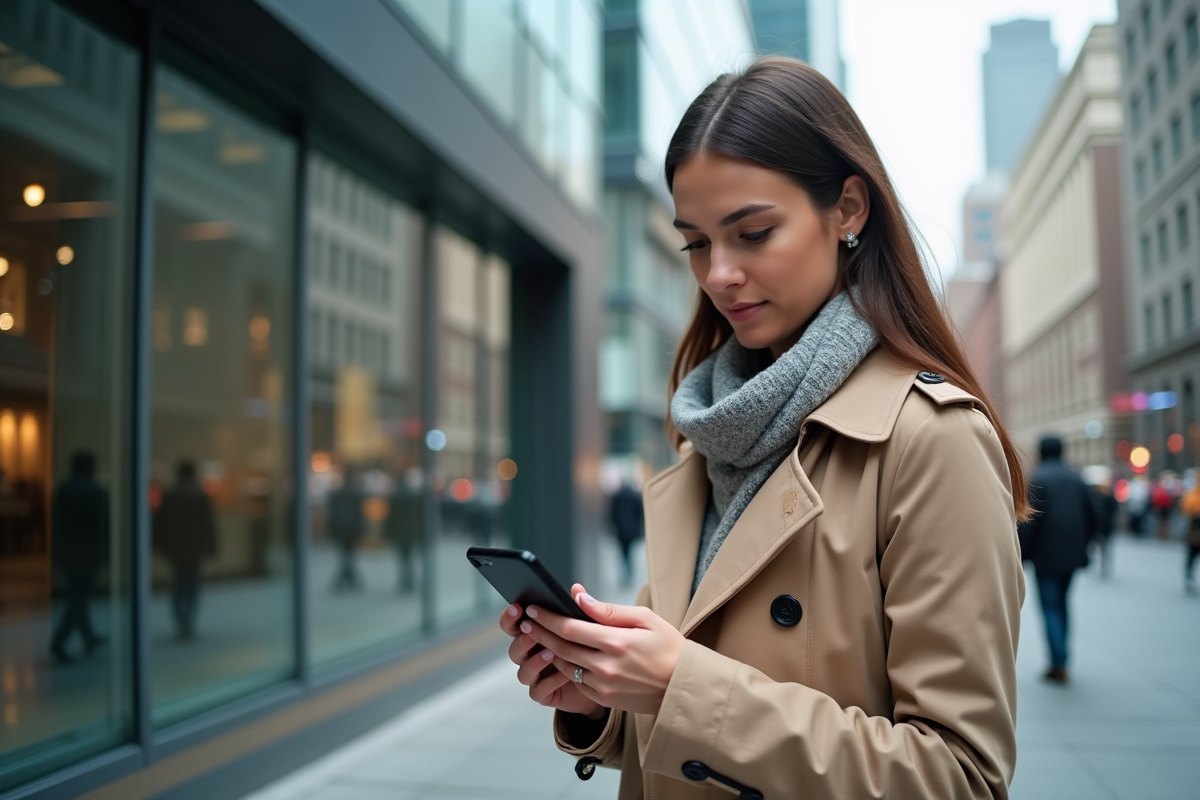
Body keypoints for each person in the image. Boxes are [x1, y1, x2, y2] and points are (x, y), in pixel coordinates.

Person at [498, 58, 1026, 799]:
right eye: (697, 243)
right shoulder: (710, 434)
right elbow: (682, 727)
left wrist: (682, 684)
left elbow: (959, 777)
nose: (718, 274)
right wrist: (597, 701)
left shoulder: (930, 440)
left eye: (752, 232)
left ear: (848, 209)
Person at [1018, 436, 1097, 684]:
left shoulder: (1038, 478)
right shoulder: (1077, 477)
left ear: (1041, 452)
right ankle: (1062, 656)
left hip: (1045, 557)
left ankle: (1058, 661)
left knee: (1050, 606)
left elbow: (1028, 522)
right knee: (1062, 603)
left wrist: (1022, 553)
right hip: (1072, 555)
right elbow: (1094, 515)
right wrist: (1085, 544)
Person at [50, 451, 110, 662]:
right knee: (78, 598)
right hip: (87, 554)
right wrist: (107, 556)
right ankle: (59, 641)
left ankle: (88, 637)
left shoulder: (63, 490)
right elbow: (102, 529)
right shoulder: (95, 491)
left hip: (67, 553)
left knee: (79, 596)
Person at [153, 460, 217, 641]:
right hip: (194, 548)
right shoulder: (199, 495)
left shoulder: (170, 494)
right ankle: (187, 622)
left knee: (178, 584)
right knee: (192, 585)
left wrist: (158, 545)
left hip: (175, 548)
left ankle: (180, 621)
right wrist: (211, 547)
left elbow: (160, 523)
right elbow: (208, 525)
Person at [385, 468, 424, 594]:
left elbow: (391, 517)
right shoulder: (414, 496)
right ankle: (410, 579)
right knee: (409, 556)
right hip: (412, 532)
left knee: (402, 557)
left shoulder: (395, 497)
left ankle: (405, 579)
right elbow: (419, 516)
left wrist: (388, 533)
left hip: (399, 532)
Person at [327, 468, 365, 593]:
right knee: (349, 554)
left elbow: (331, 514)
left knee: (345, 554)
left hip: (340, 529)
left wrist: (331, 529)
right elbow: (360, 515)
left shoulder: (337, 495)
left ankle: (346, 580)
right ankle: (350, 580)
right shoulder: (356, 495)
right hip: (352, 530)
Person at [608, 480, 644, 588]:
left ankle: (625, 574)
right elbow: (639, 514)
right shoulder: (635, 496)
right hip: (631, 530)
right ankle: (629, 573)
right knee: (630, 553)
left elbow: (612, 513)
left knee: (623, 553)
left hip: (621, 529)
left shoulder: (617, 497)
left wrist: (611, 525)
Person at [1180, 479, 1200, 594]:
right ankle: (1189, 578)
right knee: (1191, 556)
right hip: (1194, 528)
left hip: (1193, 527)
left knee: (1191, 557)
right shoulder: (1191, 495)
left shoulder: (1191, 495)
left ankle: (1189, 578)